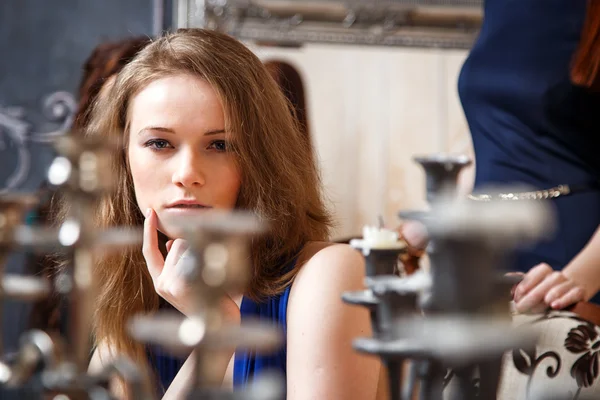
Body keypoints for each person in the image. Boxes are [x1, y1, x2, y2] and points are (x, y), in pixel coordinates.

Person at [73, 28, 381, 399]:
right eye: (159, 143)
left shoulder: (331, 275)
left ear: (260, 160)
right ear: (123, 159)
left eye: (220, 144)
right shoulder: (137, 299)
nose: (187, 173)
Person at [404, 0, 600, 314]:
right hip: (482, 247)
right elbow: (493, 140)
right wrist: (432, 221)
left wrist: (579, 278)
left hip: (568, 259)